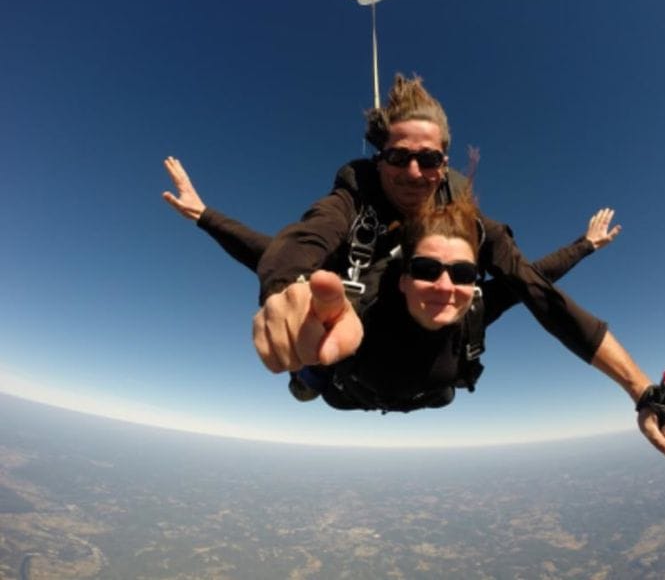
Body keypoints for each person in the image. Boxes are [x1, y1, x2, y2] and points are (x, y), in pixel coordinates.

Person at [163, 157, 618, 412]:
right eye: (425, 271)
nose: (445, 286)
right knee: (317, 356)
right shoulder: (366, 300)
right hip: (351, 391)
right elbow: (267, 252)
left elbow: (535, 282)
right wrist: (206, 217)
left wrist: (586, 245)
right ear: (402, 279)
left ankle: (313, 378)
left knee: (439, 393)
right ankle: (309, 378)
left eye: (462, 274)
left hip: (428, 394)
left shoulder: (471, 306)